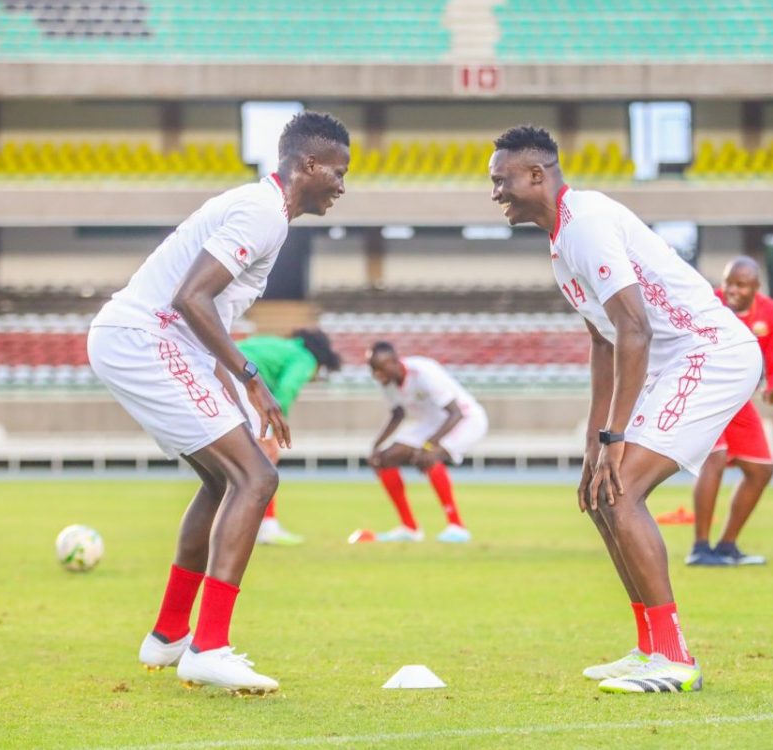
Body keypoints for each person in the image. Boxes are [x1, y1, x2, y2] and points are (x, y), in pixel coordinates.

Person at [488, 125, 761, 694]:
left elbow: (634, 326)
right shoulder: (562, 245)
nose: (496, 193)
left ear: (536, 175)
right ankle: (650, 647)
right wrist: (596, 443)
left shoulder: (585, 224)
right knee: (602, 495)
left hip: (709, 352)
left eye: (502, 180)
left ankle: (676, 658)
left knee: (624, 489)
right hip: (671, 360)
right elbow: (605, 343)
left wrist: (616, 440)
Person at [86, 111, 350, 693]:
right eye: (337, 170)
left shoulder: (266, 215)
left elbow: (211, 327)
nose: (342, 185)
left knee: (223, 481)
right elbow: (191, 299)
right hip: (146, 338)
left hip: (147, 340)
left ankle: (168, 635)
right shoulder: (261, 213)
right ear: (308, 165)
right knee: (256, 478)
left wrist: (240, 399)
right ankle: (209, 646)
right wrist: (252, 378)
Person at [685, 256, 773, 567]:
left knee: (761, 470)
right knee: (714, 459)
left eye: (740, 284)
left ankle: (727, 546)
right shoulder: (708, 304)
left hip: (739, 400)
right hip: (704, 392)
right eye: (728, 282)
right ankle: (700, 547)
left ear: (756, 288)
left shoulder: (772, 313)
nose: (731, 290)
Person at [366, 341, 486, 543]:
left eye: (380, 368)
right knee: (384, 459)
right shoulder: (388, 381)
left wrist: (429, 445)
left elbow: (455, 413)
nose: (377, 374)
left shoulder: (423, 372)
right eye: (373, 369)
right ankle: (409, 528)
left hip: (466, 420)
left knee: (429, 457)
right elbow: (398, 414)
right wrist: (375, 447)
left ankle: (457, 527)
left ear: (394, 361)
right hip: (432, 423)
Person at [232, 330, 342, 545]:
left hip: (220, 375)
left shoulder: (283, 347)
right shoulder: (305, 358)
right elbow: (287, 388)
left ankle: (255, 524)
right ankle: (266, 527)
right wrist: (277, 423)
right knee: (266, 457)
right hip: (238, 381)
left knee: (249, 461)